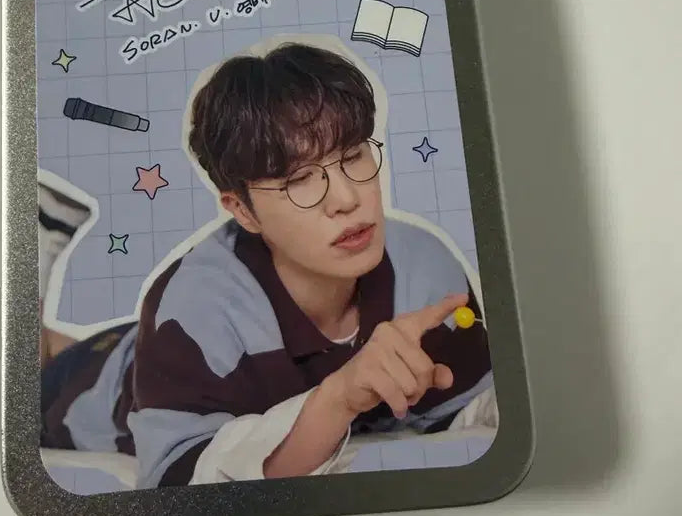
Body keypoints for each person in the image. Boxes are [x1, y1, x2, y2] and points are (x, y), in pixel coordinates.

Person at [40, 42, 496, 488]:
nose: (346, 199)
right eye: (299, 179)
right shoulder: (191, 311)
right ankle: (38, 255)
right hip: (111, 382)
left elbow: (468, 410)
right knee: (30, 373)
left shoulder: (424, 268)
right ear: (243, 210)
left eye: (353, 156)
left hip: (188, 345)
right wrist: (336, 399)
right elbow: (178, 482)